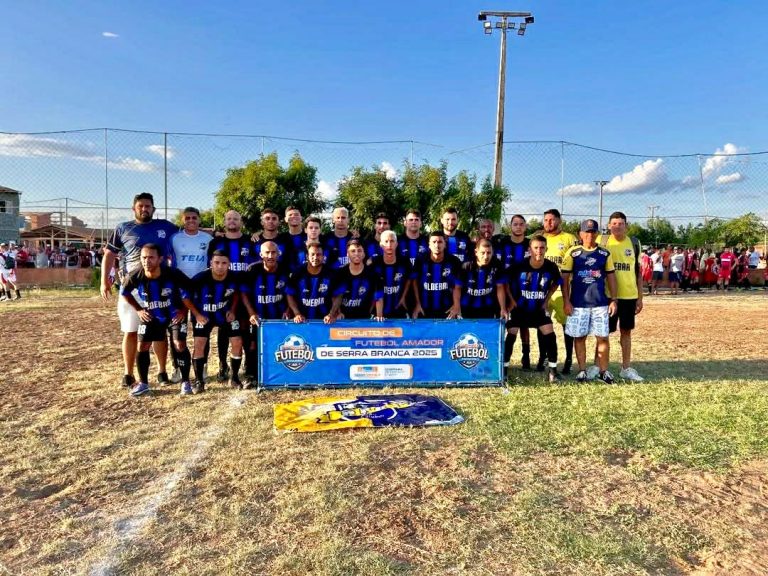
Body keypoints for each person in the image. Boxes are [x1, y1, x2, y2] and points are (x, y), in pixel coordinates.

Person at [101, 193, 179, 389]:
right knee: (131, 331)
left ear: (153, 208)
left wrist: (216, 233)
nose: (144, 209)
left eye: (148, 206)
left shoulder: (165, 227)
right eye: (140, 206)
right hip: (132, 289)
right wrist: (104, 281)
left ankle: (162, 371)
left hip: (158, 289)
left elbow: (189, 231)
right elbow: (109, 254)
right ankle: (128, 373)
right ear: (133, 208)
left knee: (159, 332)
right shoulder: (123, 228)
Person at [119, 244, 192, 397]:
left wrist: (184, 310)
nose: (147, 261)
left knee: (179, 344)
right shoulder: (135, 275)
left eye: (151, 257)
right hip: (152, 315)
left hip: (174, 315)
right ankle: (144, 384)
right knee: (143, 345)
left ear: (160, 259)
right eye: (144, 257)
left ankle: (186, 382)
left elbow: (190, 290)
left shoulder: (173, 273)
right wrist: (139, 309)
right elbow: (124, 292)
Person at [562, 220, 618, 384]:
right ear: (580, 233)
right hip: (578, 304)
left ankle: (603, 371)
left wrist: (613, 299)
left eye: (593, 232)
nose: (590, 235)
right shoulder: (573, 253)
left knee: (603, 338)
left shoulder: (604, 253)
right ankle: (582, 371)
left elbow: (611, 277)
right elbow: (564, 279)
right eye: (587, 231)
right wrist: (566, 301)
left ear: (597, 234)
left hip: (600, 304)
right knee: (579, 338)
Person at [591, 212, 646, 382]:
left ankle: (626, 368)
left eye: (621, 223)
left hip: (629, 295)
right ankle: (597, 366)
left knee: (626, 332)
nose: (617, 226)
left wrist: (640, 297)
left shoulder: (634, 243)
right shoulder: (602, 241)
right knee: (603, 333)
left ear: (626, 226)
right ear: (608, 226)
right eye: (614, 223)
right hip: (607, 296)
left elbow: (638, 272)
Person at [207, 210, 257, 381]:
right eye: (229, 218)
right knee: (223, 328)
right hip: (223, 293)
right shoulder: (216, 242)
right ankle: (223, 364)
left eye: (236, 218)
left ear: (241, 222)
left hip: (245, 291)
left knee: (243, 327)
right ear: (224, 222)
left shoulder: (250, 240)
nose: (232, 221)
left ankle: (246, 362)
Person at [504, 235, 563, 382]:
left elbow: (557, 282)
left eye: (542, 248)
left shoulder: (551, 267)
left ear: (546, 249)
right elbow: (504, 283)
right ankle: (503, 370)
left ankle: (553, 372)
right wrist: (511, 301)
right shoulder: (518, 266)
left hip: (538, 309)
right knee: (511, 333)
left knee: (550, 333)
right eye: (536, 247)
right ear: (529, 250)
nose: (539, 251)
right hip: (519, 309)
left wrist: (547, 299)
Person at [185, 250, 245, 391]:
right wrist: (197, 315)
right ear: (211, 263)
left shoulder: (234, 277)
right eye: (216, 263)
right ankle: (199, 381)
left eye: (224, 263)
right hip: (204, 315)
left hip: (224, 314)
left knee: (237, 342)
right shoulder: (200, 278)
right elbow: (185, 297)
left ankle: (234, 377)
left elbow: (237, 294)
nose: (220, 266)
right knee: (199, 343)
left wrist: (233, 310)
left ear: (229, 264)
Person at [169, 206, 213, 383]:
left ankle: (202, 366)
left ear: (199, 220)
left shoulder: (208, 239)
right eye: (187, 218)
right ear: (182, 220)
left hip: (200, 289)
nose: (191, 221)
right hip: (179, 289)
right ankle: (177, 367)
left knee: (201, 329)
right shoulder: (175, 238)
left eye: (194, 218)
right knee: (177, 329)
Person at [241, 240, 292, 386]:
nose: (270, 255)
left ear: (278, 254)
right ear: (261, 254)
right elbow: (244, 294)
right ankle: (250, 375)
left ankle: (281, 372)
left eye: (273, 252)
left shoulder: (286, 270)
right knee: (252, 345)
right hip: (258, 316)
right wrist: (251, 313)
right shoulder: (252, 270)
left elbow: (291, 293)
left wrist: (288, 310)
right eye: (267, 252)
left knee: (281, 344)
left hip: (279, 316)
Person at [540, 208, 577, 373]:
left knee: (566, 327)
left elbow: (577, 262)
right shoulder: (540, 238)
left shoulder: (569, 238)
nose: (548, 223)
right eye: (546, 220)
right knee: (542, 324)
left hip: (562, 290)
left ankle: (569, 359)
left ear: (559, 221)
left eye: (551, 220)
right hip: (542, 290)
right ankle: (543, 357)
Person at [494, 214, 532, 369]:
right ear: (511, 226)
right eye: (515, 224)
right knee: (505, 323)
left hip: (525, 289)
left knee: (524, 324)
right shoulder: (502, 243)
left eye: (521, 224)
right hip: (504, 287)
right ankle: (503, 358)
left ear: (525, 226)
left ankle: (526, 356)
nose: (518, 227)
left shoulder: (530, 244)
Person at [411, 231, 462, 319]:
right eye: (434, 242)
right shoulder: (420, 260)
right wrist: (417, 303)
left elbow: (457, 286)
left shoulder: (454, 261)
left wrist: (456, 305)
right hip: (424, 309)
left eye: (440, 242)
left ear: (445, 244)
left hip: (447, 309)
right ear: (429, 245)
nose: (437, 245)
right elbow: (415, 282)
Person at [328, 239, 384, 320]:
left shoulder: (373, 274)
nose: (356, 254)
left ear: (364, 254)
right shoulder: (340, 274)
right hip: (343, 319)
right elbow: (336, 296)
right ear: (347, 254)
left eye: (359, 250)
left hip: (365, 319)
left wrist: (379, 316)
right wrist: (338, 312)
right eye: (353, 251)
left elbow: (378, 297)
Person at [286, 242, 340, 323]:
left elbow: (338, 296)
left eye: (318, 254)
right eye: (312, 254)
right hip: (302, 321)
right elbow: (290, 294)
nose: (315, 257)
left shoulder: (331, 274)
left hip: (325, 321)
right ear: (307, 256)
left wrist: (331, 314)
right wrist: (297, 313)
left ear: (323, 257)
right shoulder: (297, 273)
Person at [368, 230, 415, 319]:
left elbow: (410, 279)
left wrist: (403, 296)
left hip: (399, 310)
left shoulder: (404, 261)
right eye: (386, 241)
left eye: (392, 241)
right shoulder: (374, 263)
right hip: (377, 312)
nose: (389, 245)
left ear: (396, 244)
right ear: (381, 244)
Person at [460, 238, 507, 319]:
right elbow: (457, 288)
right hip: (467, 307)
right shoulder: (466, 266)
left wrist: (502, 308)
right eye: (482, 253)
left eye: (489, 253)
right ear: (476, 252)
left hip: (487, 307)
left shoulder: (497, 265)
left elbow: (500, 287)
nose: (486, 256)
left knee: (485, 331)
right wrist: (456, 305)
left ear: (492, 253)